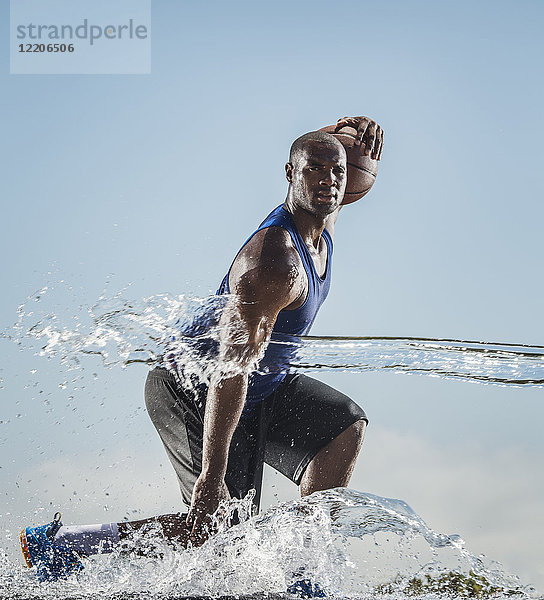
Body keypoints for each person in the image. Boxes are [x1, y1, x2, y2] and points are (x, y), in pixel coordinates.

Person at [20, 116, 384, 587]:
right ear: (290, 174)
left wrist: (338, 139)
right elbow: (229, 372)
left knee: (342, 426)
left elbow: (331, 172)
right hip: (195, 386)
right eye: (314, 169)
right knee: (215, 524)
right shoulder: (275, 261)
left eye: (336, 172)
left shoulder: (320, 227)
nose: (328, 181)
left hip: (260, 387)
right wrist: (211, 475)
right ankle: (65, 544)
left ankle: (302, 573)